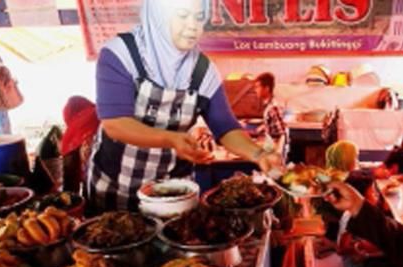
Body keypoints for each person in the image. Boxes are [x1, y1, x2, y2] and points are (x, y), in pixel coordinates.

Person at [88, 0, 282, 210]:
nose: (193, 26)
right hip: (114, 191)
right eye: (182, 15)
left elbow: (225, 127)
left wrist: (259, 155)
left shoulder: (203, 71)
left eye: (199, 17)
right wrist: (172, 140)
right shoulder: (121, 54)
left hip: (174, 194)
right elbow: (115, 124)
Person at [253, 72, 289, 158]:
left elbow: (282, 134)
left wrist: (277, 155)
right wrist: (263, 127)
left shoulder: (273, 108)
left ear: (266, 89)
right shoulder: (269, 106)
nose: (255, 90)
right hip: (269, 148)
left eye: (258, 87)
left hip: (273, 152)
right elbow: (273, 123)